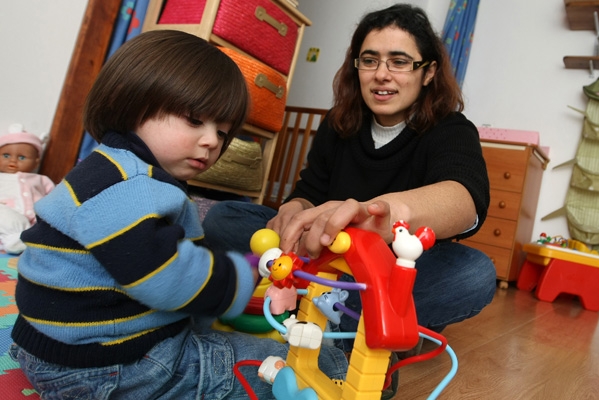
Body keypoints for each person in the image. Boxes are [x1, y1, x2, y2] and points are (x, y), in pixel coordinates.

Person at [9, 30, 347, 400]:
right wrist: (243, 274)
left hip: (55, 349)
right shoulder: (129, 185)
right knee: (287, 365)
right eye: (194, 120)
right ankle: (341, 367)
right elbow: (164, 275)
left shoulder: (114, 168)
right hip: (110, 367)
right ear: (131, 102)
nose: (212, 141)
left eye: (222, 132)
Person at [204, 4, 497, 351]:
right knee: (225, 216)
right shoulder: (338, 123)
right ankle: (345, 317)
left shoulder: (451, 129)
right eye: (370, 60)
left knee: (474, 273)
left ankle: (335, 319)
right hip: (325, 259)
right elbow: (310, 191)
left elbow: (464, 200)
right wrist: (292, 210)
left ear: (428, 72)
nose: (381, 74)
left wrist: (381, 215)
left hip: (389, 273)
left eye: (399, 62)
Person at [0, 125, 54, 254]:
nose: (13, 161)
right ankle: (14, 242)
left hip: (34, 226)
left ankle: (24, 243)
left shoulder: (41, 180)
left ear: (36, 162)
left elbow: (54, 199)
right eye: (6, 155)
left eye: (22, 157)